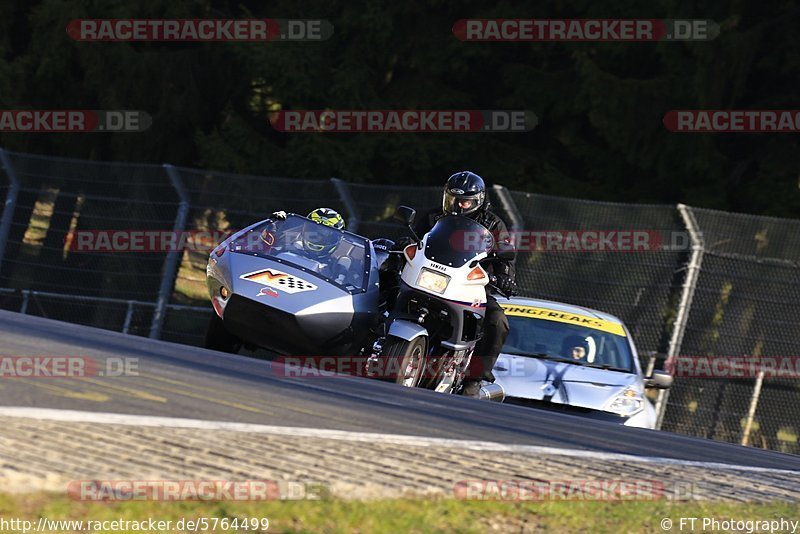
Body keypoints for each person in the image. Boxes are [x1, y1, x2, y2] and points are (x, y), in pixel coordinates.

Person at [412, 171, 518, 397]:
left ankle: (475, 378)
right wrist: (404, 243)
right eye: (453, 199)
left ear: (478, 200)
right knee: (389, 279)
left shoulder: (493, 223)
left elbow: (505, 257)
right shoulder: (432, 217)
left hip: (471, 286)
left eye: (465, 201)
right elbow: (414, 238)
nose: (458, 206)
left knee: (497, 321)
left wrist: (505, 277)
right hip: (429, 277)